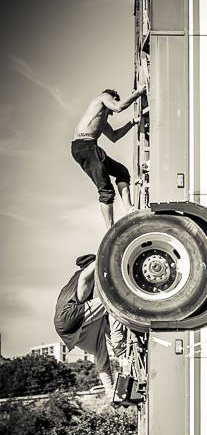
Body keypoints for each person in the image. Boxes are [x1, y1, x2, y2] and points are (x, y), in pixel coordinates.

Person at [54, 254, 126, 402]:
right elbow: (100, 260)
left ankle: (111, 394)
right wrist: (113, 251)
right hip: (70, 316)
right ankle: (119, 345)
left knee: (101, 352)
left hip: (69, 328)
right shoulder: (83, 275)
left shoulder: (69, 284)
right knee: (113, 300)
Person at [71, 86, 145, 229]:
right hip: (84, 146)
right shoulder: (103, 98)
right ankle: (110, 230)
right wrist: (139, 93)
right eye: (109, 110)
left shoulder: (101, 120)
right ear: (111, 98)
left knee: (121, 172)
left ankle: (129, 209)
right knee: (106, 190)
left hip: (90, 147)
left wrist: (132, 123)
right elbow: (118, 107)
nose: (111, 114)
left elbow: (114, 137)